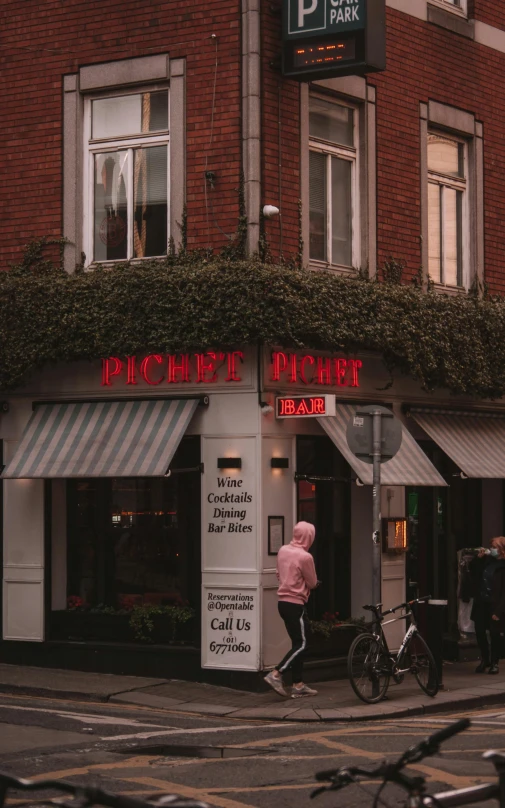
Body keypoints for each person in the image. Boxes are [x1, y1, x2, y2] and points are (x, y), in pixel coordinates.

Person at [264, 521, 319, 698]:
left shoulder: (283, 550)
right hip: (296, 604)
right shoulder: (305, 557)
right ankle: (276, 674)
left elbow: (278, 573)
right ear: (309, 537)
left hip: (282, 603)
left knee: (297, 644)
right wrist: (313, 584)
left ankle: (298, 684)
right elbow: (311, 582)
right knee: (304, 643)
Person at [470, 536, 505, 674]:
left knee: (495, 633)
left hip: (495, 604)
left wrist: (499, 610)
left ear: (502, 550)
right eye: (491, 546)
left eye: (495, 547)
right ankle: (485, 659)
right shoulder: (486, 561)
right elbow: (473, 572)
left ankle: (495, 662)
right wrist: (479, 558)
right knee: (480, 632)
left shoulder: (503, 566)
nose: (492, 549)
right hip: (481, 602)